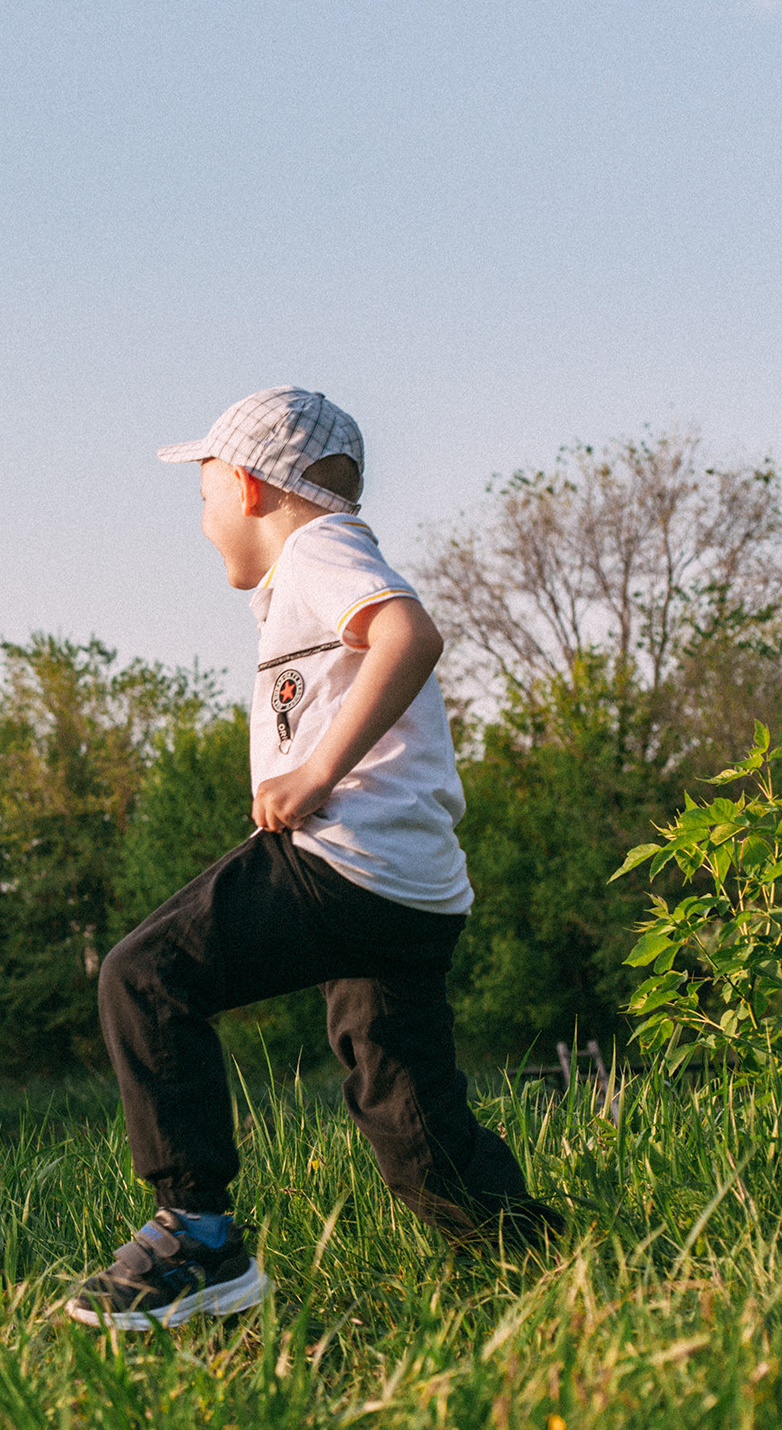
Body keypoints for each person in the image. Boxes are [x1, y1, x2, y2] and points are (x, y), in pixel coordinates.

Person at [67, 387, 560, 1332]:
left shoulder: (321, 551)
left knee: (146, 973)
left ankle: (198, 1237)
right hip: (410, 891)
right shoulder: (306, 576)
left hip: (346, 857)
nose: (202, 521)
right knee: (407, 1112)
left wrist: (317, 773)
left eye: (204, 495)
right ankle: (531, 1260)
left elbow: (410, 635)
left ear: (249, 490)